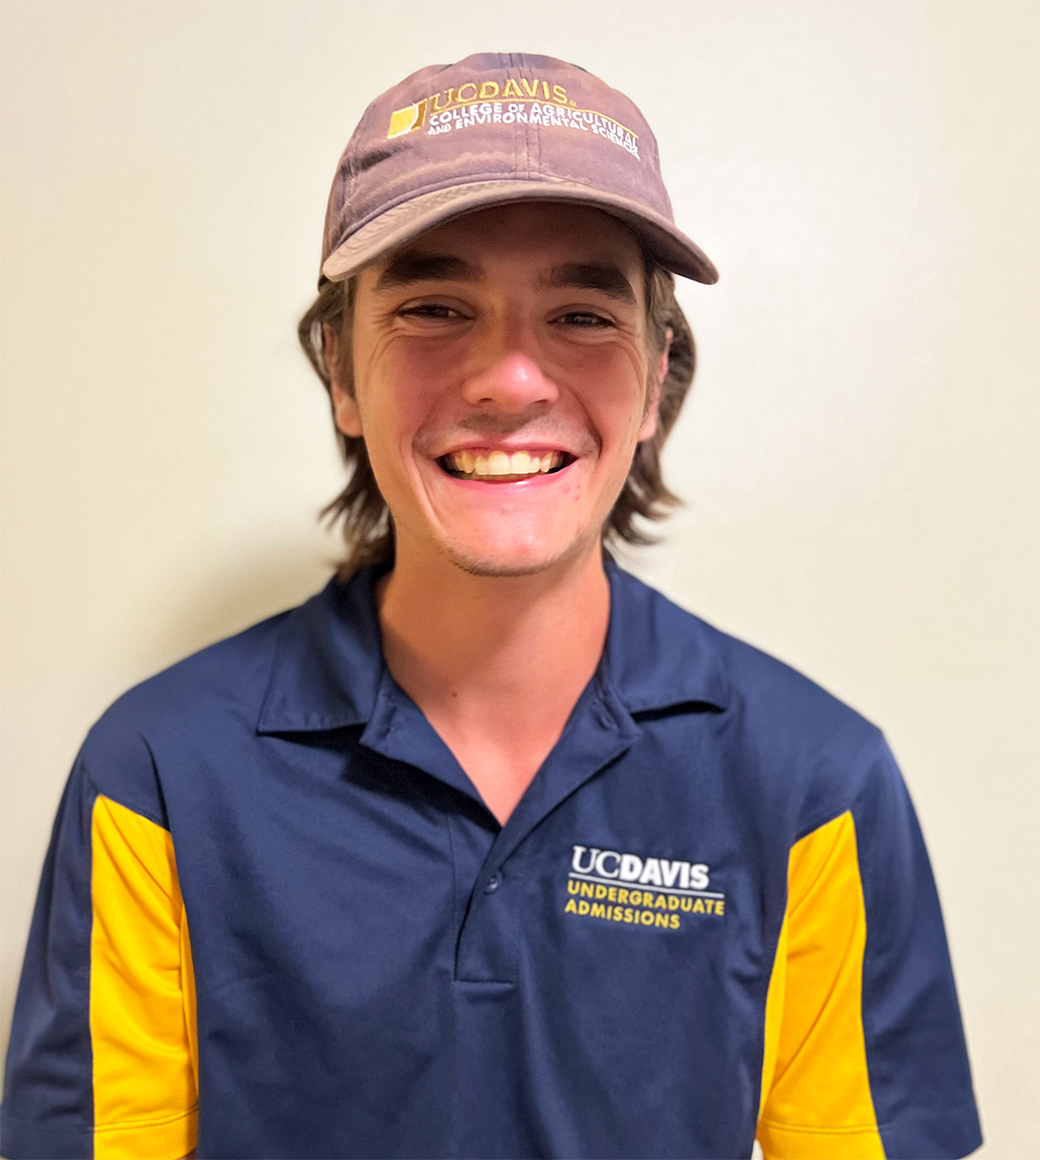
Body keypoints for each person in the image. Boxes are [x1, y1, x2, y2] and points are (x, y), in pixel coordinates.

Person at [1, 52, 981, 1160]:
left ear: (656, 376)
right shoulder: (158, 775)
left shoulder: (812, 783)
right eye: (432, 305)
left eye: (578, 313)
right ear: (340, 370)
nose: (510, 379)